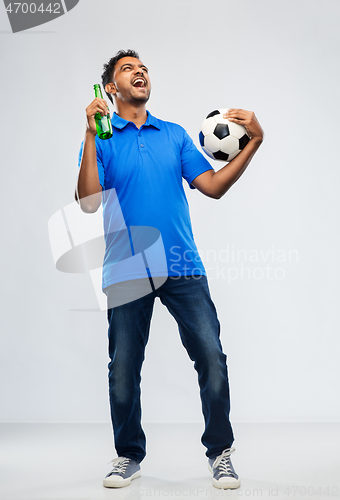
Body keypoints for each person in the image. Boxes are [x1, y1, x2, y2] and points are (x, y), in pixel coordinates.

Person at [76, 49, 264, 490]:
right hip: (125, 270)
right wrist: (89, 134)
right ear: (110, 89)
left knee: (212, 359)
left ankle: (221, 453)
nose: (139, 72)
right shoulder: (101, 139)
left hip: (182, 266)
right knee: (123, 369)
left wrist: (254, 141)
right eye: (127, 69)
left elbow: (213, 187)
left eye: (142, 67)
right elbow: (87, 202)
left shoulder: (175, 134)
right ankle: (128, 455)